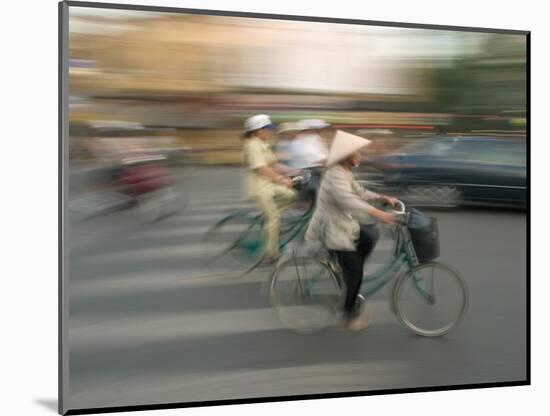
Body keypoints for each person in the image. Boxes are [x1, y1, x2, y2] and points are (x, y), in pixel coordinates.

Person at [305, 130, 398, 331]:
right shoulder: (335, 174)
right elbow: (347, 200)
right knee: (355, 271)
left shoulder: (344, 172)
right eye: (358, 153)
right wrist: (377, 213)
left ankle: (349, 271)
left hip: (343, 225)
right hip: (331, 230)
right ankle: (347, 316)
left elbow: (358, 191)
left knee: (370, 235)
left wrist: (380, 197)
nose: (361, 156)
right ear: (348, 155)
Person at [242, 114, 297, 262]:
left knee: (291, 195)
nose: (269, 132)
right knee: (274, 218)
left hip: (269, 184)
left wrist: (294, 171)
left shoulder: (264, 144)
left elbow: (274, 164)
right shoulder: (252, 145)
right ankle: (270, 253)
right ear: (258, 130)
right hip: (259, 186)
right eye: (267, 129)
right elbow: (261, 168)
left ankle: (269, 217)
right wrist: (281, 179)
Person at [288, 119, 331, 205]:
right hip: (309, 172)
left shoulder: (314, 140)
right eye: (318, 129)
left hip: (312, 171)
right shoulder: (305, 141)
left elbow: (324, 156)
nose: (320, 131)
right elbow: (316, 159)